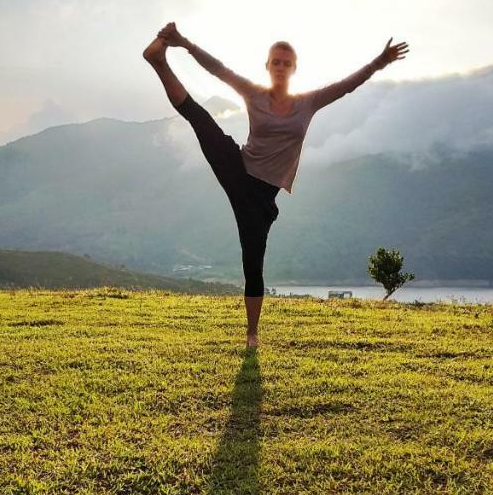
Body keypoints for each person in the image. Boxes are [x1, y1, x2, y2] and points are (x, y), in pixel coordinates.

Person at [143, 23, 408, 349]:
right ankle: (159, 61)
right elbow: (218, 69)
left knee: (253, 263)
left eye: (287, 62)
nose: (281, 67)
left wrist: (379, 62)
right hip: (238, 169)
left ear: (294, 69)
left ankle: (252, 332)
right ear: (267, 67)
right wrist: (184, 43)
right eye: (275, 62)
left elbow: (346, 86)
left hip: (261, 198)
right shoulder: (253, 93)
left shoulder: (308, 102)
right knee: (200, 119)